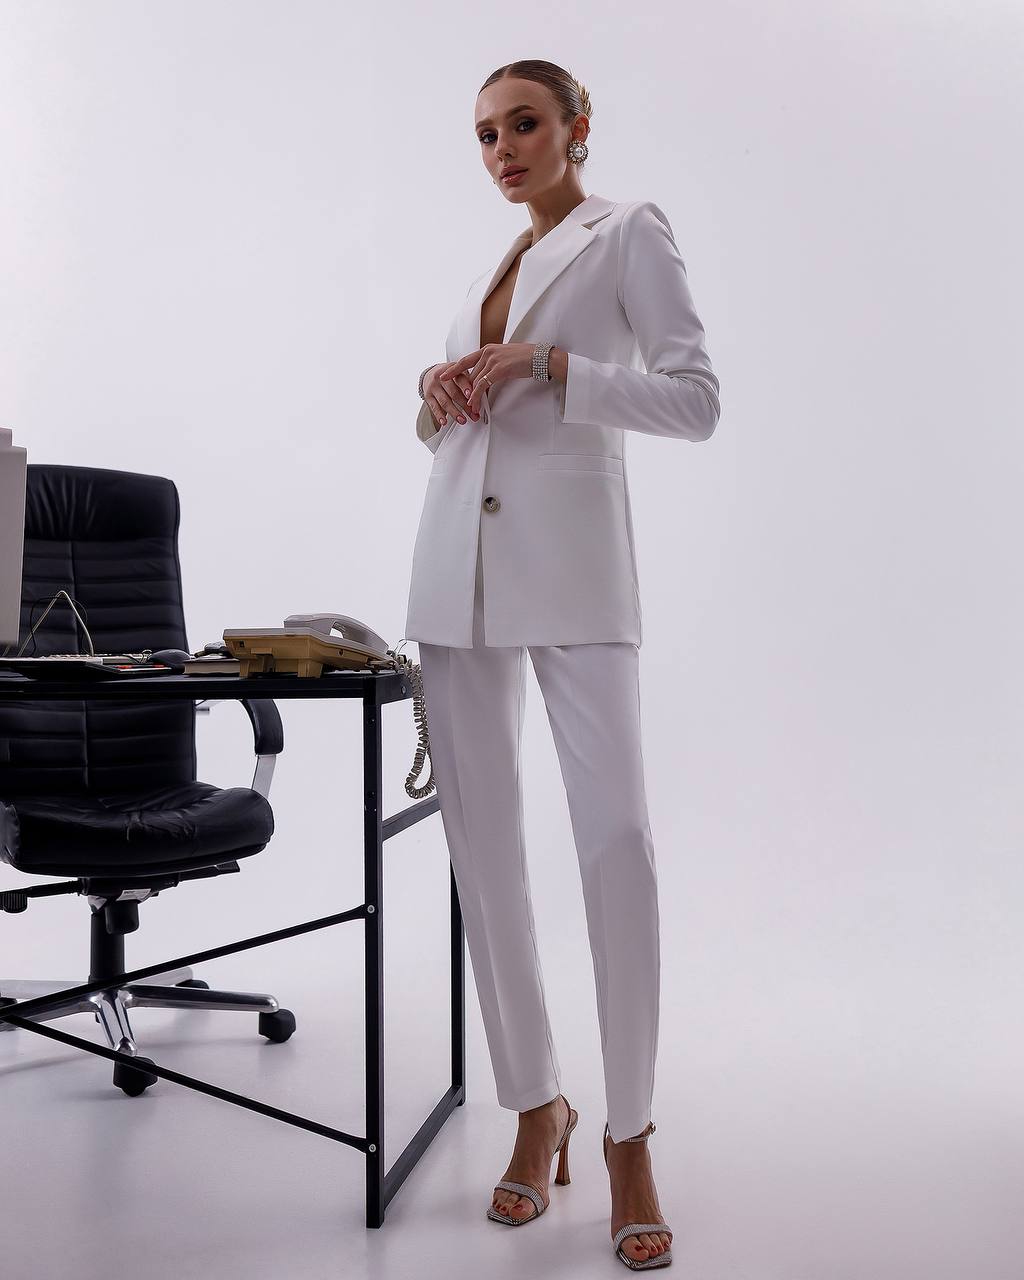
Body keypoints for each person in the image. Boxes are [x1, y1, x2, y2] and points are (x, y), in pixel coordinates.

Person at [405, 58, 720, 1270]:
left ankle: (629, 1131)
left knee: (615, 842)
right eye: (484, 134)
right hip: (454, 579)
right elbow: (445, 432)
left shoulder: (626, 231)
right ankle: (538, 1106)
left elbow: (694, 398)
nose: (501, 148)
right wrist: (435, 395)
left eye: (522, 123)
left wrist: (555, 370)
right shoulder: (486, 272)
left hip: (579, 577)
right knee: (484, 856)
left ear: (576, 127)